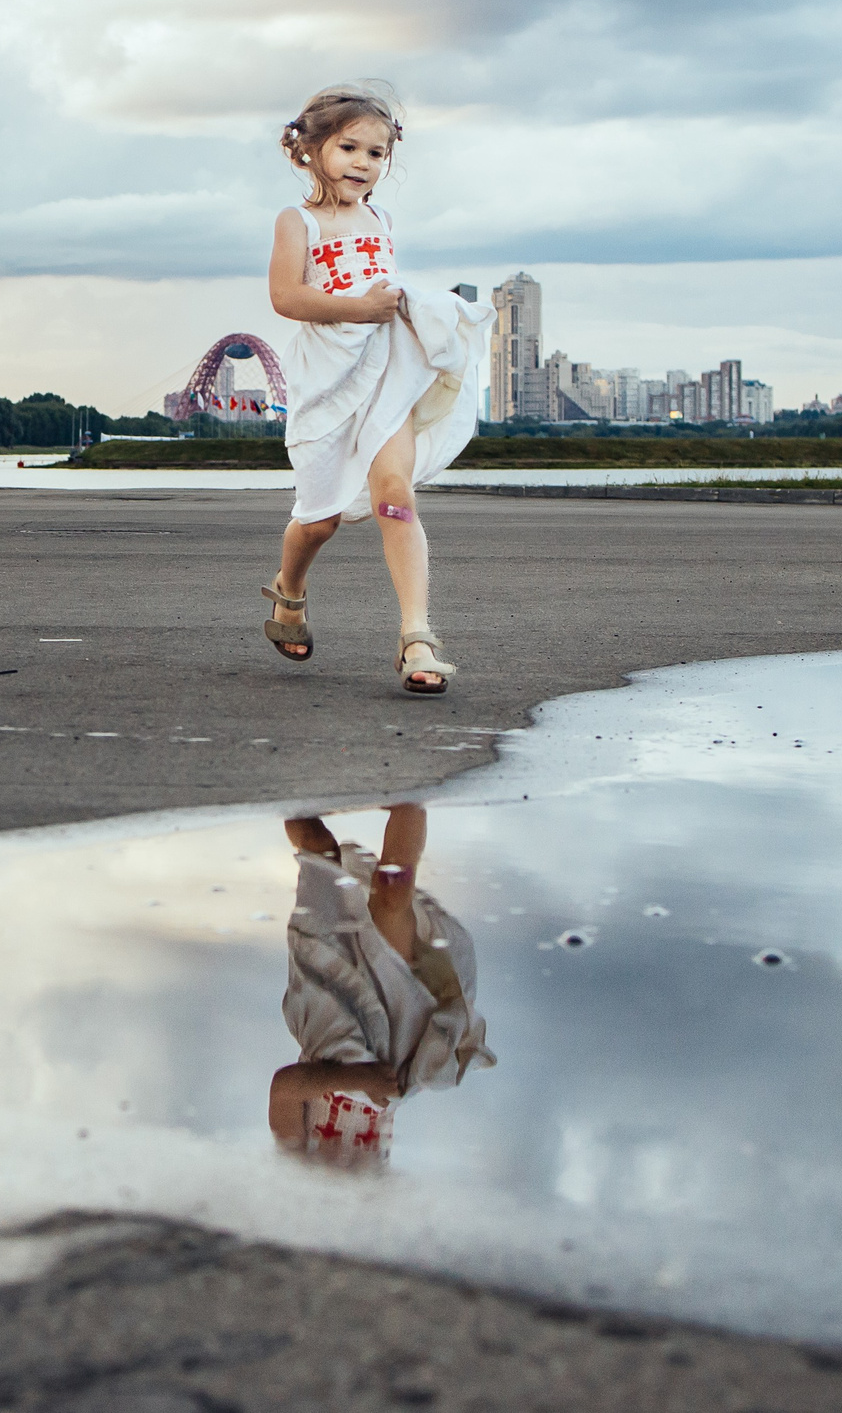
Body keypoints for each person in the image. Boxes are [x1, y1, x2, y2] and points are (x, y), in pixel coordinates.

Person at [260, 83, 495, 697]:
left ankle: (417, 636)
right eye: (349, 148)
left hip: (385, 373)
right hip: (327, 379)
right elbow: (286, 297)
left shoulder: (381, 219)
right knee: (321, 520)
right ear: (310, 149)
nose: (363, 164)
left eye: (376, 153)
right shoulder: (298, 221)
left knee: (396, 493)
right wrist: (360, 310)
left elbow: (384, 291)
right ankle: (290, 592)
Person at [270, 805, 494, 1168]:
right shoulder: (376, 1199)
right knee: (392, 897)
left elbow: (284, 1089)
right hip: (397, 1030)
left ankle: (281, 766)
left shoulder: (295, 1168)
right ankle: (410, 787)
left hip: (331, 1010)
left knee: (318, 847)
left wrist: (355, 1076)